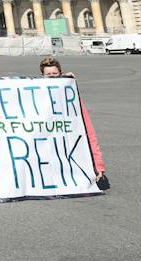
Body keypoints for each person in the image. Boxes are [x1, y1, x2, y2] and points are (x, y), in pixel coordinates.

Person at [39, 57, 110, 190]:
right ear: (42, 76)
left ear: (60, 73)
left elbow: (89, 134)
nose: (52, 78)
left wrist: (98, 166)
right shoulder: (35, 93)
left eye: (55, 74)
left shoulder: (71, 97)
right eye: (48, 75)